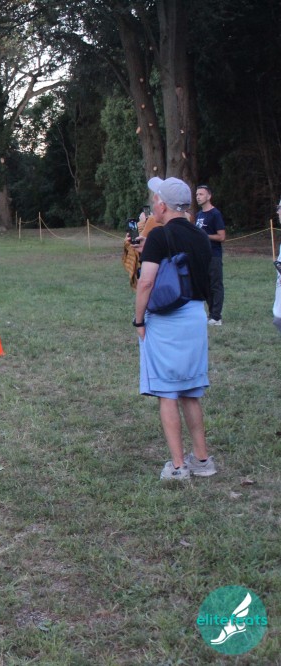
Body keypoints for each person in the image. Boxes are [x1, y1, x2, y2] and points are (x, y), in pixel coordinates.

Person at [132, 176, 216, 481]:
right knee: (190, 391)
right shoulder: (201, 236)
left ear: (163, 205)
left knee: (167, 393)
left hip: (167, 319)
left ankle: (178, 467)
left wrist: (139, 320)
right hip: (195, 316)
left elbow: (146, 282)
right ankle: (202, 460)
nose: (153, 203)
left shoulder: (159, 236)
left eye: (155, 199)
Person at [194, 185, 226, 325]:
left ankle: (217, 317)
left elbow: (222, 237)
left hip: (214, 255)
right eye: (197, 194)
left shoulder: (215, 214)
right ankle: (211, 314)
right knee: (205, 285)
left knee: (215, 285)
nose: (198, 197)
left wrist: (205, 236)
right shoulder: (198, 215)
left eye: (201, 194)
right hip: (201, 256)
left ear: (209, 196)